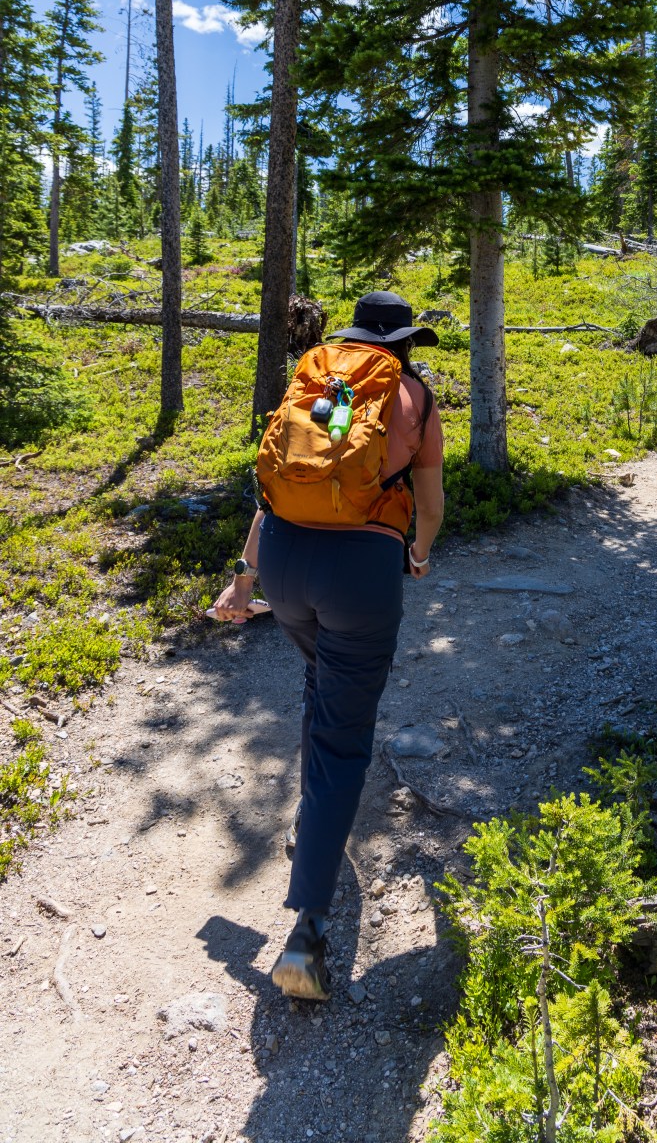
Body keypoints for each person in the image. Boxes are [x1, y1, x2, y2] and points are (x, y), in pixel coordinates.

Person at [210, 292, 445, 1001]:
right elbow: (428, 504)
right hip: (358, 573)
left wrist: (244, 579)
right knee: (345, 735)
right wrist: (420, 554)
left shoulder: (313, 382)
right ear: (404, 343)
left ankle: (312, 823)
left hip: (283, 563)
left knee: (322, 683)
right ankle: (306, 932)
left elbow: (274, 490)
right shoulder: (413, 397)